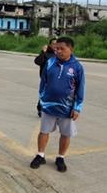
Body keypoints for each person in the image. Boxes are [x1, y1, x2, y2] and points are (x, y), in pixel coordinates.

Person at [30, 36, 84, 173]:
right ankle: (40, 155)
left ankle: (60, 158)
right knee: (43, 131)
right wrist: (42, 99)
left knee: (66, 134)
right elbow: (43, 82)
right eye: (56, 48)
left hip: (67, 108)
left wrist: (77, 108)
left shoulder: (77, 67)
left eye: (62, 49)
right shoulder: (50, 63)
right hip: (48, 106)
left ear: (70, 49)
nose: (58, 51)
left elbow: (80, 88)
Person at [33, 38, 57, 117]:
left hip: (56, 78)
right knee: (45, 93)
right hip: (46, 78)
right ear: (50, 45)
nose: (55, 45)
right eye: (53, 43)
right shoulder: (46, 53)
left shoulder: (59, 54)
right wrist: (43, 52)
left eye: (57, 43)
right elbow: (38, 61)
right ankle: (40, 108)